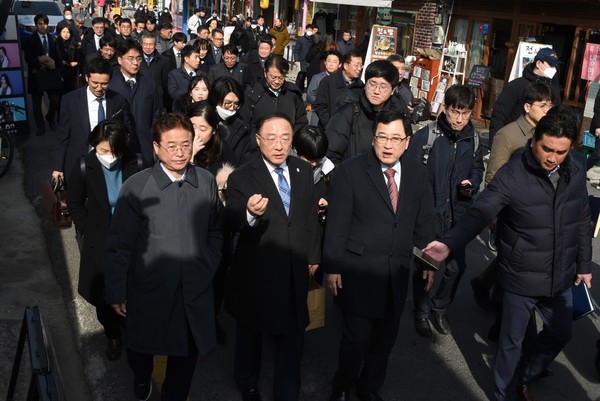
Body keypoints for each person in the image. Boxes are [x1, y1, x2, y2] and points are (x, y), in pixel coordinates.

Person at [423, 106, 592, 401]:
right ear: (533, 141)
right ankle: (504, 394)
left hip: (561, 275)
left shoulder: (576, 170)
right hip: (520, 275)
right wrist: (449, 243)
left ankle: (524, 377)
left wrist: (584, 264)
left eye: (561, 152)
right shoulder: (512, 174)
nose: (552, 158)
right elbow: (479, 212)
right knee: (510, 343)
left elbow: (580, 219)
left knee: (561, 333)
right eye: (547, 149)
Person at [105, 114, 222, 401]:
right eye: (171, 146)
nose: (180, 152)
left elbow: (216, 231)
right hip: (149, 289)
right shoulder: (137, 186)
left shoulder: (205, 181)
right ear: (156, 148)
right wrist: (117, 290)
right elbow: (120, 244)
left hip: (193, 288)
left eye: (185, 144)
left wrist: (207, 265)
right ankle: (142, 381)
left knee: (185, 360)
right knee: (141, 350)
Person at [324, 110, 435, 401]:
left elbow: (425, 223)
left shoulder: (418, 173)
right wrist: (333, 266)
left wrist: (429, 262)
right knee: (356, 338)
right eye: (382, 137)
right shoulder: (350, 171)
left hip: (396, 270)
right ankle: (342, 385)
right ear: (373, 138)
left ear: (408, 141)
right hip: (358, 269)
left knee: (385, 340)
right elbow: (336, 225)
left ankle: (369, 387)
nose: (388, 144)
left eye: (396, 138)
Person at [224, 113, 320, 401]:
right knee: (250, 336)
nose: (279, 145)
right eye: (271, 138)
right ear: (258, 141)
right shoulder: (242, 175)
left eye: (285, 138)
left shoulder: (303, 172)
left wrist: (313, 255)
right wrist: (249, 214)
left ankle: (287, 391)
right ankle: (248, 383)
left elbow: (308, 218)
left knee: (293, 338)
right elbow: (229, 220)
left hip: (293, 270)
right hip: (256, 272)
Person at [470, 82, 555, 339]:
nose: (548, 110)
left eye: (550, 105)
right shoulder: (508, 134)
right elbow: (494, 176)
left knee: (515, 261)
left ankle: (485, 284)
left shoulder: (546, 133)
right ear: (527, 107)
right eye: (543, 106)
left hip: (536, 212)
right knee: (512, 265)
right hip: (509, 211)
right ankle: (502, 320)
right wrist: (494, 215)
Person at [406, 85, 485, 337]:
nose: (460, 119)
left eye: (465, 113)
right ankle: (421, 311)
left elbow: (477, 168)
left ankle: (439, 308)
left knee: (455, 268)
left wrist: (472, 183)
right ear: (445, 108)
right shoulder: (427, 136)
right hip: (429, 213)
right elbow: (410, 173)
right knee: (425, 266)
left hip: (458, 213)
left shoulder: (472, 138)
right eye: (454, 112)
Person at [66, 120, 140, 361]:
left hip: (131, 236)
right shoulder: (83, 166)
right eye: (103, 151)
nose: (109, 157)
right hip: (99, 238)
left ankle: (132, 329)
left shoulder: (135, 163)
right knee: (103, 292)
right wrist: (86, 228)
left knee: (130, 286)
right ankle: (112, 334)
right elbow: (75, 203)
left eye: (114, 151)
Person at [52, 57, 131, 184]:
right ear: (87, 78)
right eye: (95, 83)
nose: (99, 88)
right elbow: (63, 136)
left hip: (110, 163)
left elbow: (127, 132)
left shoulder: (119, 100)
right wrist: (58, 167)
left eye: (104, 84)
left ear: (110, 80)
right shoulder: (70, 100)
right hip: (78, 163)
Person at [326, 60, 405, 164]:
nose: (376, 91)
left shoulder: (398, 116)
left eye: (383, 86)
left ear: (393, 90)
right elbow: (330, 155)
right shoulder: (348, 113)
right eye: (372, 84)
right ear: (365, 84)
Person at [489, 47, 562, 146]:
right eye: (551, 64)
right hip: (512, 142)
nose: (554, 68)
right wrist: (495, 143)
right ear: (538, 64)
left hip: (539, 144)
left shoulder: (553, 90)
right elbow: (499, 115)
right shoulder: (517, 85)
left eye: (555, 65)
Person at [111, 39, 162, 166]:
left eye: (138, 59)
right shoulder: (111, 84)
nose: (135, 63)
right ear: (119, 60)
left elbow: (157, 114)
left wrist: (151, 136)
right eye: (130, 58)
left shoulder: (149, 84)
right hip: (117, 144)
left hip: (144, 143)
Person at [238, 55, 308, 138]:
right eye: (273, 77)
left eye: (281, 78)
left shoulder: (293, 93)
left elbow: (301, 121)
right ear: (265, 73)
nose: (277, 81)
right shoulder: (253, 93)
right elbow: (244, 123)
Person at [24, 14, 62, 136]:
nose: (42, 26)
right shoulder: (30, 39)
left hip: (51, 74)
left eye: (44, 23)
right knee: (36, 103)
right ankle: (40, 126)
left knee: (55, 100)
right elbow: (28, 58)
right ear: (36, 25)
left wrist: (54, 65)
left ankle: (50, 117)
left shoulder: (53, 39)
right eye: (40, 23)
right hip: (37, 74)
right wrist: (40, 62)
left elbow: (57, 57)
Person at [207, 76, 253, 166]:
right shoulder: (203, 120)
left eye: (236, 104)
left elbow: (247, 159)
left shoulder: (243, 126)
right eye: (227, 103)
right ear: (216, 100)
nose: (232, 108)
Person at [313, 49, 364, 130]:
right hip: (329, 130)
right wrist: (330, 125)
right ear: (346, 66)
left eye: (361, 65)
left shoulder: (360, 86)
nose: (359, 69)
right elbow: (320, 106)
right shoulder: (328, 82)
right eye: (356, 65)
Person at [306, 50, 341, 126]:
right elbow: (310, 95)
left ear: (340, 65)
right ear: (325, 63)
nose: (331, 64)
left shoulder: (341, 80)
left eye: (334, 62)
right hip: (318, 115)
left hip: (336, 117)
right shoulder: (317, 78)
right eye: (329, 61)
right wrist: (321, 103)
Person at [139, 32, 169, 101]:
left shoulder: (163, 61)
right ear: (141, 44)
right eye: (145, 44)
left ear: (155, 45)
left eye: (151, 44)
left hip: (157, 98)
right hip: (139, 97)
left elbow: (165, 82)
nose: (148, 47)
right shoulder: (136, 60)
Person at [56, 25, 80, 94]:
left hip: (71, 73)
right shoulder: (55, 43)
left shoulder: (74, 44)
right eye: (64, 32)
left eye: (68, 32)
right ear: (60, 32)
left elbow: (78, 58)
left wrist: (76, 62)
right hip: (59, 72)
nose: (66, 34)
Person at [293, 24, 314, 92]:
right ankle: (297, 91)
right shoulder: (301, 39)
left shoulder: (314, 40)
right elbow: (296, 50)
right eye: (308, 30)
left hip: (311, 62)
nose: (310, 31)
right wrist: (296, 60)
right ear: (306, 30)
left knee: (310, 78)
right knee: (300, 78)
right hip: (302, 61)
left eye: (311, 30)